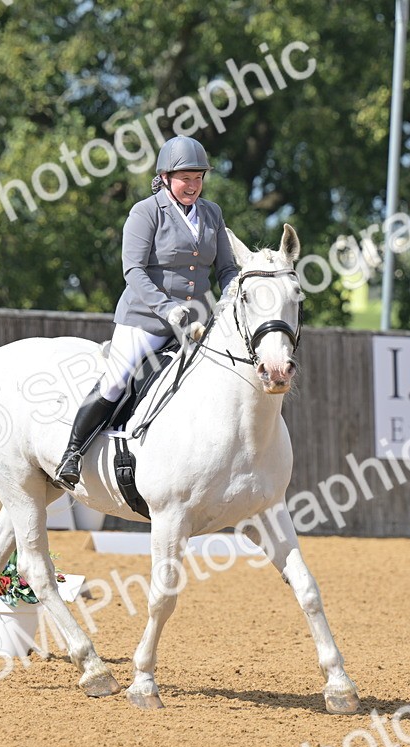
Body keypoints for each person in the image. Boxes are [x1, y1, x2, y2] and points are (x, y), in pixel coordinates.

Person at [55, 135, 239, 489]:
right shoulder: (146, 212)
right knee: (117, 378)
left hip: (198, 320)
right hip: (146, 317)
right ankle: (73, 453)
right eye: (186, 178)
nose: (193, 186)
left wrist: (231, 290)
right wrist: (166, 309)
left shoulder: (212, 213)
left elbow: (226, 268)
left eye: (199, 178)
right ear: (166, 177)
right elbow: (133, 271)